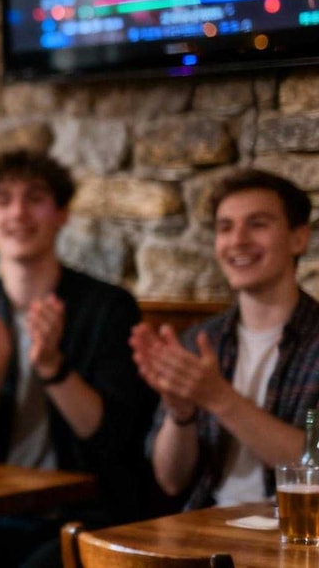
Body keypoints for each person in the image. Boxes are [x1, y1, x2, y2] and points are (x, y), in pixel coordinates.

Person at [0, 150, 157, 568]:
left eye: (35, 198)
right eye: (3, 200)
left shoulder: (108, 308)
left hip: (84, 515)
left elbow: (110, 438)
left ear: (61, 214)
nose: (18, 212)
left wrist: (52, 366)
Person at [131, 169, 319, 510]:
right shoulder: (203, 340)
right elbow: (170, 480)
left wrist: (218, 398)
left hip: (295, 533)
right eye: (225, 227)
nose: (238, 240)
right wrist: (180, 414)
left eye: (258, 224)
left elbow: (315, 465)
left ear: (298, 239)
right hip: (205, 529)